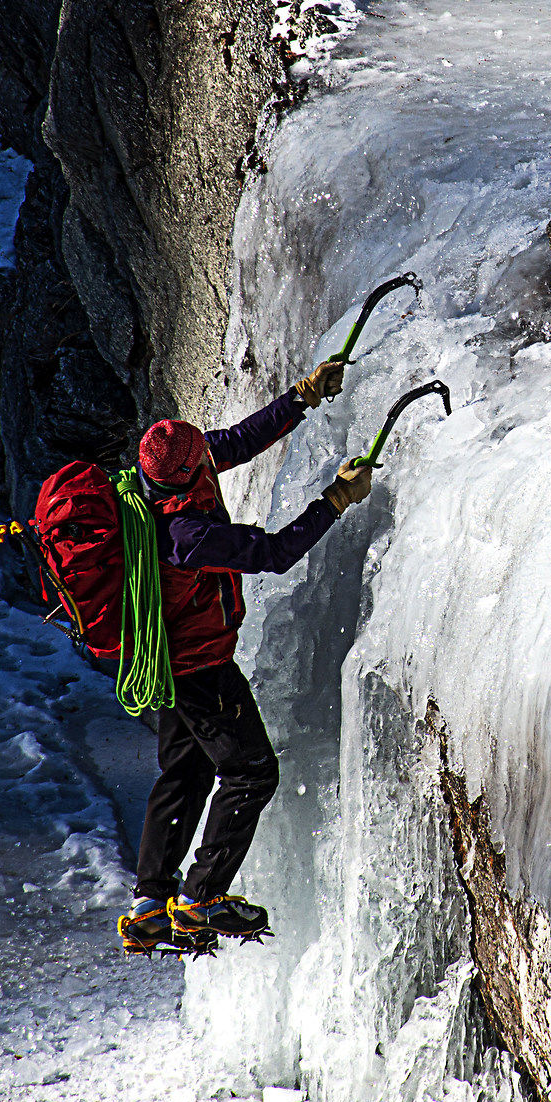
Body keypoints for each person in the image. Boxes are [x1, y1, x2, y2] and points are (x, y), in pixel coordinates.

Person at [118, 359, 373, 952]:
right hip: (201, 668)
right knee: (251, 772)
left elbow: (234, 442)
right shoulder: (186, 535)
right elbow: (276, 551)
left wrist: (301, 398)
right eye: (200, 459)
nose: (210, 458)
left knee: (185, 771)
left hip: (170, 664)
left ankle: (149, 902)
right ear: (183, 477)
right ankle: (202, 896)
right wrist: (335, 501)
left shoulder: (151, 480)